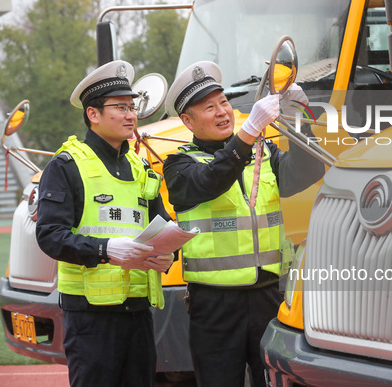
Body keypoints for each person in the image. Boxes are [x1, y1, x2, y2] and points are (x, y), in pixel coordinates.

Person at [162, 61, 325, 387]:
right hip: (214, 305)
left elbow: (307, 171)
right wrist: (249, 131)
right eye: (209, 107)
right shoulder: (180, 164)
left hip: (269, 296)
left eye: (224, 102)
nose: (222, 112)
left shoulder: (260, 151)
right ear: (187, 121)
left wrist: (301, 115)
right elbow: (213, 179)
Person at [36, 60, 175, 387]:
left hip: (139, 314)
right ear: (93, 114)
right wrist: (106, 249)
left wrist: (170, 254)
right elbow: (50, 236)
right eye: (121, 108)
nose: (131, 115)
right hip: (90, 318)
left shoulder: (141, 167)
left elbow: (163, 225)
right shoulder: (66, 166)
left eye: (133, 107)